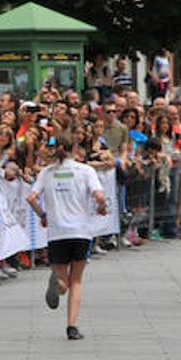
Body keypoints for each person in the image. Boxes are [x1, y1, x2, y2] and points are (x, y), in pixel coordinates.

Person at [26, 129, 107, 340]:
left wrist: (43, 215)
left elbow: (31, 198)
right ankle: (72, 327)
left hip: (57, 231)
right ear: (75, 148)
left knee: (64, 280)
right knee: (76, 281)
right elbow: (99, 196)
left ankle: (58, 284)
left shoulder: (47, 172)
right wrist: (101, 207)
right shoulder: (85, 170)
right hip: (81, 231)